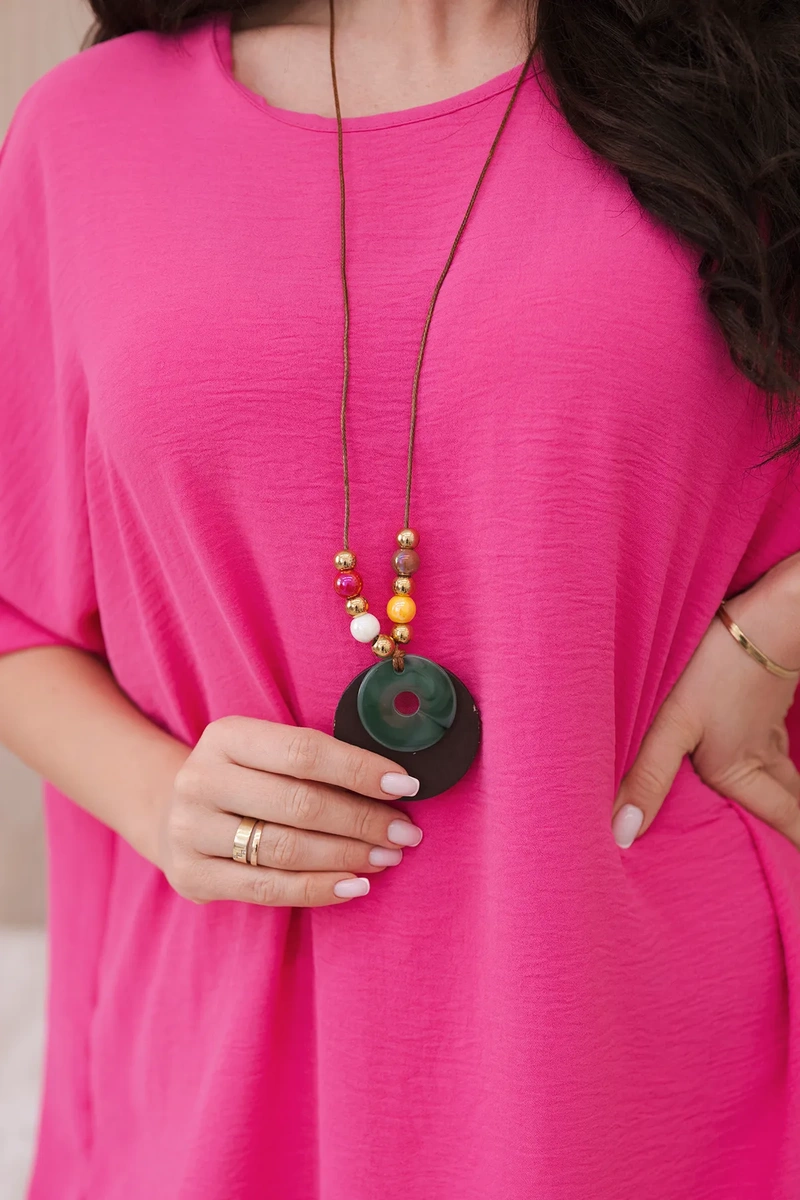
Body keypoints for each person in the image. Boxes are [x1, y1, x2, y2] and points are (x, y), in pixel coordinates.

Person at [1, 1, 799, 1197]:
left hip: (658, 1036)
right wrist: (161, 798)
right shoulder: (90, 131)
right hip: (233, 1056)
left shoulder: (758, 76)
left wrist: (772, 631)